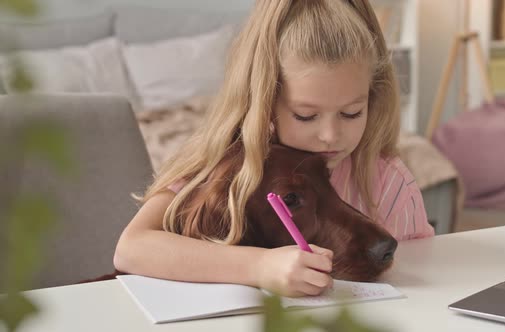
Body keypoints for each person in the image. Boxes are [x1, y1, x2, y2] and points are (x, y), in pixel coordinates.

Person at [114, 0, 434, 298]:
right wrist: (258, 266)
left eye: (351, 113)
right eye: (306, 115)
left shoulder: (391, 182)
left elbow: (427, 276)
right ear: (264, 101)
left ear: (373, 98)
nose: (330, 135)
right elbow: (132, 248)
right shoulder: (230, 166)